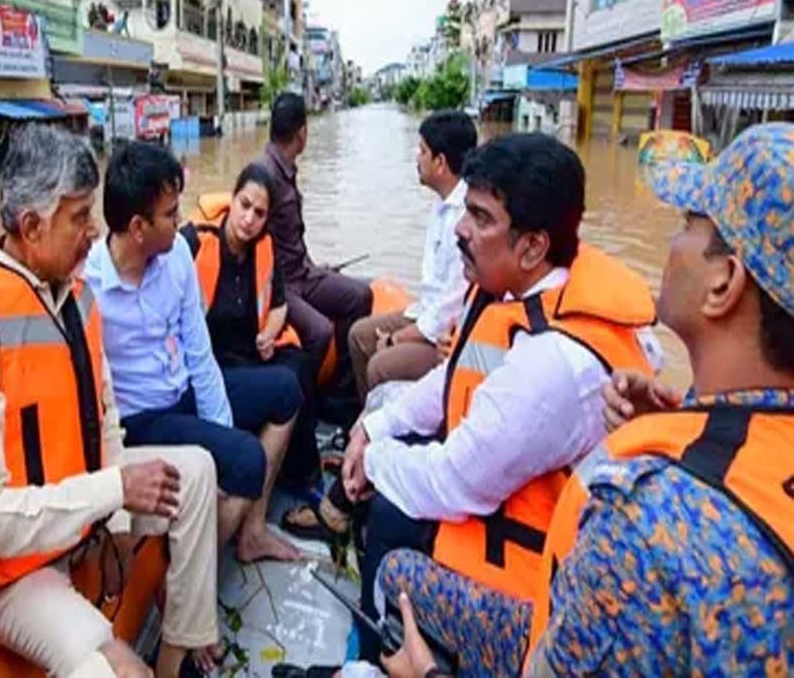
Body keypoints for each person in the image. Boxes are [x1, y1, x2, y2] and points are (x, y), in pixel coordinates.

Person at [377, 123, 794, 677]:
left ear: (724, 284)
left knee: (393, 569)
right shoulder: (724, 425)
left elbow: (458, 481)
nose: (670, 243)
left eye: (688, 224)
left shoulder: (643, 523)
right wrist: (676, 424)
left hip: (530, 602)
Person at [0, 124, 220, 678]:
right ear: (31, 226)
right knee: (121, 672)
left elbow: (105, 421)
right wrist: (114, 491)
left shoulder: (74, 294)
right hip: (6, 570)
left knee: (195, 471)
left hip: (75, 508)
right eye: (79, 218)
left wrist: (119, 521)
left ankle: (179, 653)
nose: (94, 231)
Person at [340, 133, 659, 664]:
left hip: (538, 601)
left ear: (533, 245)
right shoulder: (518, 295)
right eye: (466, 210)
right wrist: (376, 429)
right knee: (383, 423)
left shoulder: (551, 363)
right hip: (500, 487)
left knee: (391, 547)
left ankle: (372, 660)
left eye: (481, 218)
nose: (461, 230)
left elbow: (452, 481)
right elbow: (455, 380)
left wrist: (370, 460)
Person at [84, 142, 306, 565]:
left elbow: (199, 352)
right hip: (141, 418)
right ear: (137, 227)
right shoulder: (89, 283)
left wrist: (219, 436)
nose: (180, 221)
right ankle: (185, 576)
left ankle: (250, 533)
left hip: (182, 389)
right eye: (170, 214)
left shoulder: (177, 256)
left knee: (285, 390)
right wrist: (228, 451)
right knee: (246, 458)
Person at [179, 163, 312, 558]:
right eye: (245, 206)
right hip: (206, 370)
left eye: (259, 213)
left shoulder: (263, 248)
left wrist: (271, 332)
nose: (250, 219)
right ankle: (251, 529)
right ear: (232, 200)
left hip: (247, 359)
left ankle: (293, 483)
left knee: (298, 367)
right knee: (286, 388)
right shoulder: (192, 242)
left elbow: (279, 305)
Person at [347, 111, 475, 396]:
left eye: (423, 151)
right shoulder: (441, 207)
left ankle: (378, 431)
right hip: (425, 314)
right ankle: (361, 419)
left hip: (445, 335)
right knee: (359, 335)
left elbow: (448, 310)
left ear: (440, 163)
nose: (417, 157)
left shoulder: (464, 220)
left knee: (380, 365)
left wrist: (396, 339)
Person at [258, 92, 373, 385]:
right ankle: (302, 405)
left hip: (302, 273)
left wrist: (316, 267)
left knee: (360, 296)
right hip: (282, 286)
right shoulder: (264, 175)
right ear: (303, 133)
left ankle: (343, 392)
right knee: (321, 332)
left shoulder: (284, 167)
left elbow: (290, 238)